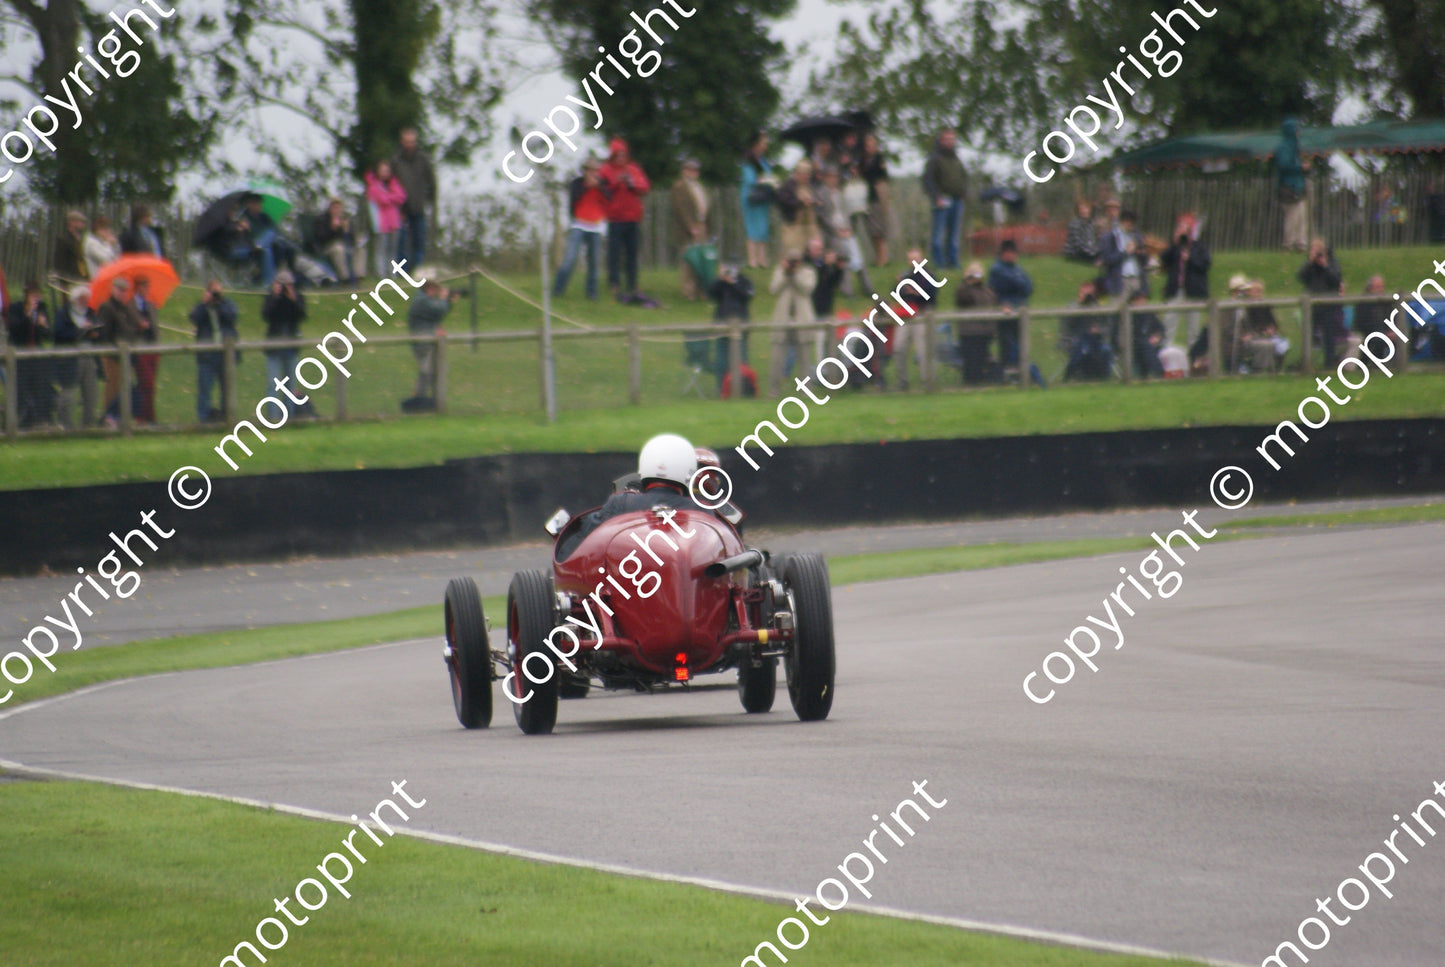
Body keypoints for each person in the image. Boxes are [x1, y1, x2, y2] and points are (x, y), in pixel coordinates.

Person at [556, 433, 712, 559]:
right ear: (690, 471)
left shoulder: (621, 503)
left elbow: (579, 546)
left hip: (625, 586)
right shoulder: (703, 511)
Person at [598, 137, 651, 302]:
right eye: (618, 155)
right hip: (615, 219)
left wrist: (631, 183)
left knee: (632, 253)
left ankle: (633, 284)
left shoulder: (633, 169)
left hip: (632, 218)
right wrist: (616, 182)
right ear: (613, 156)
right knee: (614, 253)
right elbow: (603, 191)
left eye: (623, 155)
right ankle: (614, 283)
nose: (621, 158)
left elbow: (645, 187)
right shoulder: (605, 170)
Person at [553, 158, 609, 300]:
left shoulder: (603, 185)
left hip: (596, 227)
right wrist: (587, 186)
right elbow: (574, 198)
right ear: (584, 171)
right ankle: (558, 289)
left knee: (594, 262)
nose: (592, 173)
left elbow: (609, 200)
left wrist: (599, 187)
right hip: (579, 224)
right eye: (589, 170)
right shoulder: (577, 184)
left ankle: (592, 293)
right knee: (569, 259)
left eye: (595, 170)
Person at [94, 277, 146, 425]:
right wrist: (111, 350)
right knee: (113, 388)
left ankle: (115, 418)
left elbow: (131, 327)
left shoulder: (124, 308)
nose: (122, 293)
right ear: (113, 289)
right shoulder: (107, 307)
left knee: (124, 388)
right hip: (112, 356)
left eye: (125, 291)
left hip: (124, 356)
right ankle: (107, 419)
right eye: (120, 290)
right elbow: (104, 333)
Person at [813, 164, 870, 296]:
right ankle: (847, 289)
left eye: (836, 177)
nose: (834, 180)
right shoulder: (821, 193)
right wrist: (836, 230)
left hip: (845, 230)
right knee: (843, 255)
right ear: (826, 178)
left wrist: (848, 228)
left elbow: (846, 213)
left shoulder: (840, 193)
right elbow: (822, 217)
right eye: (831, 177)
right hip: (831, 234)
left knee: (858, 256)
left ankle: (867, 287)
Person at [189, 279, 240, 423]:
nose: (216, 295)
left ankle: (227, 417)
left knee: (227, 389)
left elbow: (232, 317)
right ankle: (203, 419)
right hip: (207, 356)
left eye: (218, 291)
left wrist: (219, 303)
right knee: (204, 389)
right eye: (213, 292)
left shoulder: (228, 304)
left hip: (225, 356)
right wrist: (204, 304)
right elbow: (194, 318)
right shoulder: (202, 307)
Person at [889, 247, 938, 391]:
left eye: (916, 259)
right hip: (905, 315)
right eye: (910, 259)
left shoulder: (928, 275)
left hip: (922, 316)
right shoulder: (906, 275)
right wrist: (900, 285)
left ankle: (928, 382)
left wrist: (915, 292)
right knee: (898, 348)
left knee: (924, 351)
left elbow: (931, 295)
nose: (913, 262)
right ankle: (902, 382)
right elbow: (896, 293)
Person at [405, 274, 459, 407]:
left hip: (428, 340)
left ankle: (424, 399)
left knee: (431, 370)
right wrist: (444, 299)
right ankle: (420, 400)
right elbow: (439, 309)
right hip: (423, 342)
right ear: (429, 288)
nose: (437, 291)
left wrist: (448, 302)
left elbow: (437, 314)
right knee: (428, 370)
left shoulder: (424, 299)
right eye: (435, 288)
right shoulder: (422, 300)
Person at [5, 281, 53, 428]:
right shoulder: (15, 309)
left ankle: (41, 420)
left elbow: (47, 335)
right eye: (33, 295)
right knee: (21, 390)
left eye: (38, 295)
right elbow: (15, 330)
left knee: (40, 387)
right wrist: (28, 317)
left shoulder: (42, 309)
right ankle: (20, 423)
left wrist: (42, 325)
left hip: (36, 356)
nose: (36, 298)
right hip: (19, 357)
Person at [768, 251, 817, 396]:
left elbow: (807, 289)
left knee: (804, 358)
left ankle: (806, 390)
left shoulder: (808, 272)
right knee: (777, 358)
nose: (793, 264)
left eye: (795, 261)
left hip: (802, 320)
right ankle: (774, 390)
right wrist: (785, 273)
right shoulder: (779, 272)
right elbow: (773, 289)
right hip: (782, 320)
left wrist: (795, 275)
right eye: (790, 260)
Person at [261, 269, 309, 416]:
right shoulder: (270, 298)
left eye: (287, 285)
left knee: (290, 385)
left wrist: (293, 299)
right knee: (273, 384)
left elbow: (302, 315)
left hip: (291, 346)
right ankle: (273, 417)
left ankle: (290, 416)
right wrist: (275, 297)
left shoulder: (297, 297)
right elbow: (266, 315)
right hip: (274, 346)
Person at [53, 283, 98, 429]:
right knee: (69, 392)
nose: (84, 302)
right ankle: (65, 424)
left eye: (86, 299)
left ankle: (89, 424)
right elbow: (59, 333)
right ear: (74, 300)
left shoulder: (90, 313)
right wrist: (79, 331)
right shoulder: (63, 313)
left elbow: (98, 329)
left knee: (90, 391)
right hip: (69, 359)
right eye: (81, 299)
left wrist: (94, 332)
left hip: (89, 356)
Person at [392, 126, 437, 269]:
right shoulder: (396, 161)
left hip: (419, 207)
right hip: (401, 210)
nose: (410, 144)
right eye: (407, 141)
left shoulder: (423, 159)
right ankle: (402, 274)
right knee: (402, 243)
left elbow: (432, 181)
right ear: (402, 142)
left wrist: (429, 200)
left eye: (412, 141)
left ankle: (418, 271)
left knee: (419, 242)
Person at [670, 158, 714, 301]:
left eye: (695, 170)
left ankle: (702, 290)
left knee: (702, 259)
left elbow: (706, 207)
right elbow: (681, 209)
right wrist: (691, 228)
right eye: (690, 169)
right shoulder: (679, 186)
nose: (694, 172)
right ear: (684, 171)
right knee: (689, 260)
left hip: (702, 226)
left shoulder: (699, 187)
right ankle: (688, 292)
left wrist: (706, 224)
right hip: (688, 228)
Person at [922, 128, 966, 269]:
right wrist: (936, 197)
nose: (950, 142)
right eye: (947, 139)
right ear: (941, 141)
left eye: (952, 139)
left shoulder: (956, 159)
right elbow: (928, 181)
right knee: (938, 236)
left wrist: (963, 194)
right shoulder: (935, 159)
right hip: (942, 200)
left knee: (953, 236)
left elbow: (963, 177)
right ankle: (939, 263)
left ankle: (953, 263)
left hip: (957, 200)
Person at [706, 264, 754, 392]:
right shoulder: (721, 283)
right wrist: (720, 280)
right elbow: (710, 293)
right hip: (722, 324)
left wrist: (732, 284)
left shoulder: (745, 281)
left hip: (741, 324)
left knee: (741, 358)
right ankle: (722, 388)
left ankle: (743, 388)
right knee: (721, 359)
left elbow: (747, 296)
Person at [229, 194, 295, 287]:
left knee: (287, 247)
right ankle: (269, 284)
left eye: (260, 203)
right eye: (256, 203)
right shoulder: (242, 218)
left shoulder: (264, 217)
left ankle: (293, 281)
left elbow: (276, 232)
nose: (260, 206)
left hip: (265, 245)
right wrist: (243, 229)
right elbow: (237, 239)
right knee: (266, 248)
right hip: (247, 247)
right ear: (249, 204)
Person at [1160, 228, 1211, 347]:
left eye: (1187, 233)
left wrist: (1190, 259)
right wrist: (1174, 243)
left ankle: (1191, 356)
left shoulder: (1199, 248)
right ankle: (1165, 350)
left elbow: (1205, 265)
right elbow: (1164, 259)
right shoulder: (1175, 248)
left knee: (1193, 326)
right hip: (1176, 290)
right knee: (1169, 321)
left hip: (1194, 292)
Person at [1298, 237, 1344, 366]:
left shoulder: (1332, 263)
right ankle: (1305, 364)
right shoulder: (1309, 265)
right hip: (1312, 306)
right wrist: (1310, 262)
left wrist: (1325, 266)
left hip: (1328, 306)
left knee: (1329, 336)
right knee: (1308, 335)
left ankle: (1329, 364)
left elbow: (1336, 280)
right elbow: (1301, 277)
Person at [988, 239, 1033, 366]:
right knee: (1007, 344)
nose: (1014, 255)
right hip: (1005, 314)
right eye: (1011, 252)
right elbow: (1008, 285)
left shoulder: (1017, 269)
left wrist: (1019, 284)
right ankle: (1007, 369)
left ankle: (1020, 370)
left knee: (1021, 344)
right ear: (1004, 253)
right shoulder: (997, 269)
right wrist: (1019, 283)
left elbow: (1028, 287)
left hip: (1020, 311)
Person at [954, 261, 998, 385]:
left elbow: (994, 302)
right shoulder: (963, 290)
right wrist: (966, 282)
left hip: (985, 332)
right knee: (971, 361)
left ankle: (980, 382)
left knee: (982, 359)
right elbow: (963, 300)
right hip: (969, 332)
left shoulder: (987, 290)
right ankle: (970, 383)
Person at [1063, 280, 1114, 381]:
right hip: (1076, 340)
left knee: (1106, 350)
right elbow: (1067, 328)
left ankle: (1104, 378)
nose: (1086, 296)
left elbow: (1107, 326)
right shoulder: (1071, 307)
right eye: (1083, 293)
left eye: (1089, 294)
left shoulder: (1099, 308)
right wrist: (1080, 304)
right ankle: (1074, 375)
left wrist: (1098, 330)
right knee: (1084, 349)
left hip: (1097, 342)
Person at [365, 160, 408, 278]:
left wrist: (388, 197)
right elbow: (379, 198)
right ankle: (381, 273)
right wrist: (391, 198)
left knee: (393, 249)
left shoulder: (394, 183)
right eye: (382, 170)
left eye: (387, 171)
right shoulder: (373, 185)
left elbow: (401, 197)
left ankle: (392, 272)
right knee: (381, 249)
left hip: (394, 221)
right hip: (381, 222)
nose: (385, 173)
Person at [739, 131, 775, 270]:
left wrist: (770, 180)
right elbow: (749, 179)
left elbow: (768, 175)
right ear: (756, 144)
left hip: (763, 197)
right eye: (763, 143)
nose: (765, 146)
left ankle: (762, 259)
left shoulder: (763, 161)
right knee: (752, 227)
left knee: (763, 228)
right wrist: (763, 179)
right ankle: (752, 260)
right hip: (751, 197)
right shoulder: (748, 161)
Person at [859, 133, 894, 266]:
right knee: (872, 229)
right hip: (867, 196)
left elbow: (884, 177)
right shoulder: (862, 160)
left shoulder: (879, 159)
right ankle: (878, 256)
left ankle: (884, 257)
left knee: (881, 228)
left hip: (878, 195)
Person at [1274, 118, 1309, 252]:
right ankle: (1288, 245)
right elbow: (1284, 166)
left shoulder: (1294, 147)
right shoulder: (1284, 147)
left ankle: (1301, 244)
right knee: (1292, 217)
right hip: (1288, 187)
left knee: (1301, 216)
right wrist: (1300, 168)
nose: (1299, 132)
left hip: (1298, 186)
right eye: (1296, 129)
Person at [1099, 204, 1147, 300]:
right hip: (1120, 281)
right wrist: (1125, 253)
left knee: (1137, 312)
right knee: (1119, 312)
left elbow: (1144, 261)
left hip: (1136, 279)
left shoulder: (1136, 237)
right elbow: (1107, 260)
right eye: (1128, 222)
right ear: (1121, 222)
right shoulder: (1109, 237)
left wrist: (1141, 253)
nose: (1130, 225)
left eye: (1132, 223)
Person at [131, 276, 161, 424]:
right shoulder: (130, 305)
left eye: (147, 286)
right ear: (137, 287)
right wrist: (138, 325)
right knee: (145, 382)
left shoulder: (150, 305)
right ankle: (141, 417)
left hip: (152, 348)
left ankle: (150, 415)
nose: (146, 289)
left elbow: (155, 327)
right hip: (139, 348)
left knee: (151, 384)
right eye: (143, 286)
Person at [774, 159, 817, 260]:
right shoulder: (788, 185)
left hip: (807, 226)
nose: (807, 177)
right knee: (792, 254)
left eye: (808, 175)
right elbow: (784, 200)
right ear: (798, 174)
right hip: (792, 227)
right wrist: (800, 203)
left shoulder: (808, 187)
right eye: (805, 175)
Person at [314, 199, 363, 285]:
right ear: (330, 208)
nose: (337, 210)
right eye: (335, 207)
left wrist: (346, 229)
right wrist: (333, 229)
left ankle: (358, 276)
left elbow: (351, 239)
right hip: (328, 247)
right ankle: (345, 277)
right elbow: (321, 238)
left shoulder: (344, 218)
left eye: (339, 208)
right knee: (338, 248)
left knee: (360, 249)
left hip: (345, 245)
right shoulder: (322, 219)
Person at [1128, 290, 1166, 378]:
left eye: (1144, 299)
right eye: (1139, 300)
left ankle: (1151, 374)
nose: (1142, 302)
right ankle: (1159, 373)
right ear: (1133, 301)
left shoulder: (1149, 313)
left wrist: (1157, 336)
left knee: (1148, 347)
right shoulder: (1128, 314)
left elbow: (1160, 328)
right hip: (1133, 344)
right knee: (1145, 346)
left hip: (1150, 344)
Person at [805, 237, 844, 320]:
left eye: (821, 249)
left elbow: (832, 284)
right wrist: (826, 265)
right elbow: (816, 279)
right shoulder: (806, 262)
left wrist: (838, 269)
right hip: (811, 304)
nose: (819, 252)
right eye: (816, 249)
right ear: (809, 249)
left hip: (826, 304)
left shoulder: (821, 262)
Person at [53, 211, 89, 281]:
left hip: (83, 277)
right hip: (70, 279)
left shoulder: (83, 240)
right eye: (80, 222)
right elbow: (60, 262)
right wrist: (65, 279)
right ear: (71, 222)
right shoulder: (63, 240)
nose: (83, 225)